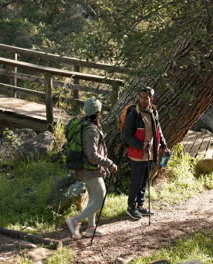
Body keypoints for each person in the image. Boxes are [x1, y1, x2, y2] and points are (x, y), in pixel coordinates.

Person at [65, 98, 117, 239]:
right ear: (98, 112)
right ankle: (75, 221)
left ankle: (90, 228)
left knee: (93, 198)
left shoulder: (82, 124)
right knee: (101, 199)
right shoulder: (91, 130)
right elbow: (92, 155)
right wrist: (109, 163)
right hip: (90, 170)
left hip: (82, 168)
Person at [123, 87, 169, 220]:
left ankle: (140, 206)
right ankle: (131, 207)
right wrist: (140, 145)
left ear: (151, 99)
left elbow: (158, 130)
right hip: (137, 154)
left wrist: (164, 145)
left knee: (144, 181)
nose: (143, 100)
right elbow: (127, 136)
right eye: (141, 97)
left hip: (150, 154)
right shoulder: (133, 114)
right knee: (136, 181)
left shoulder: (154, 112)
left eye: (146, 98)